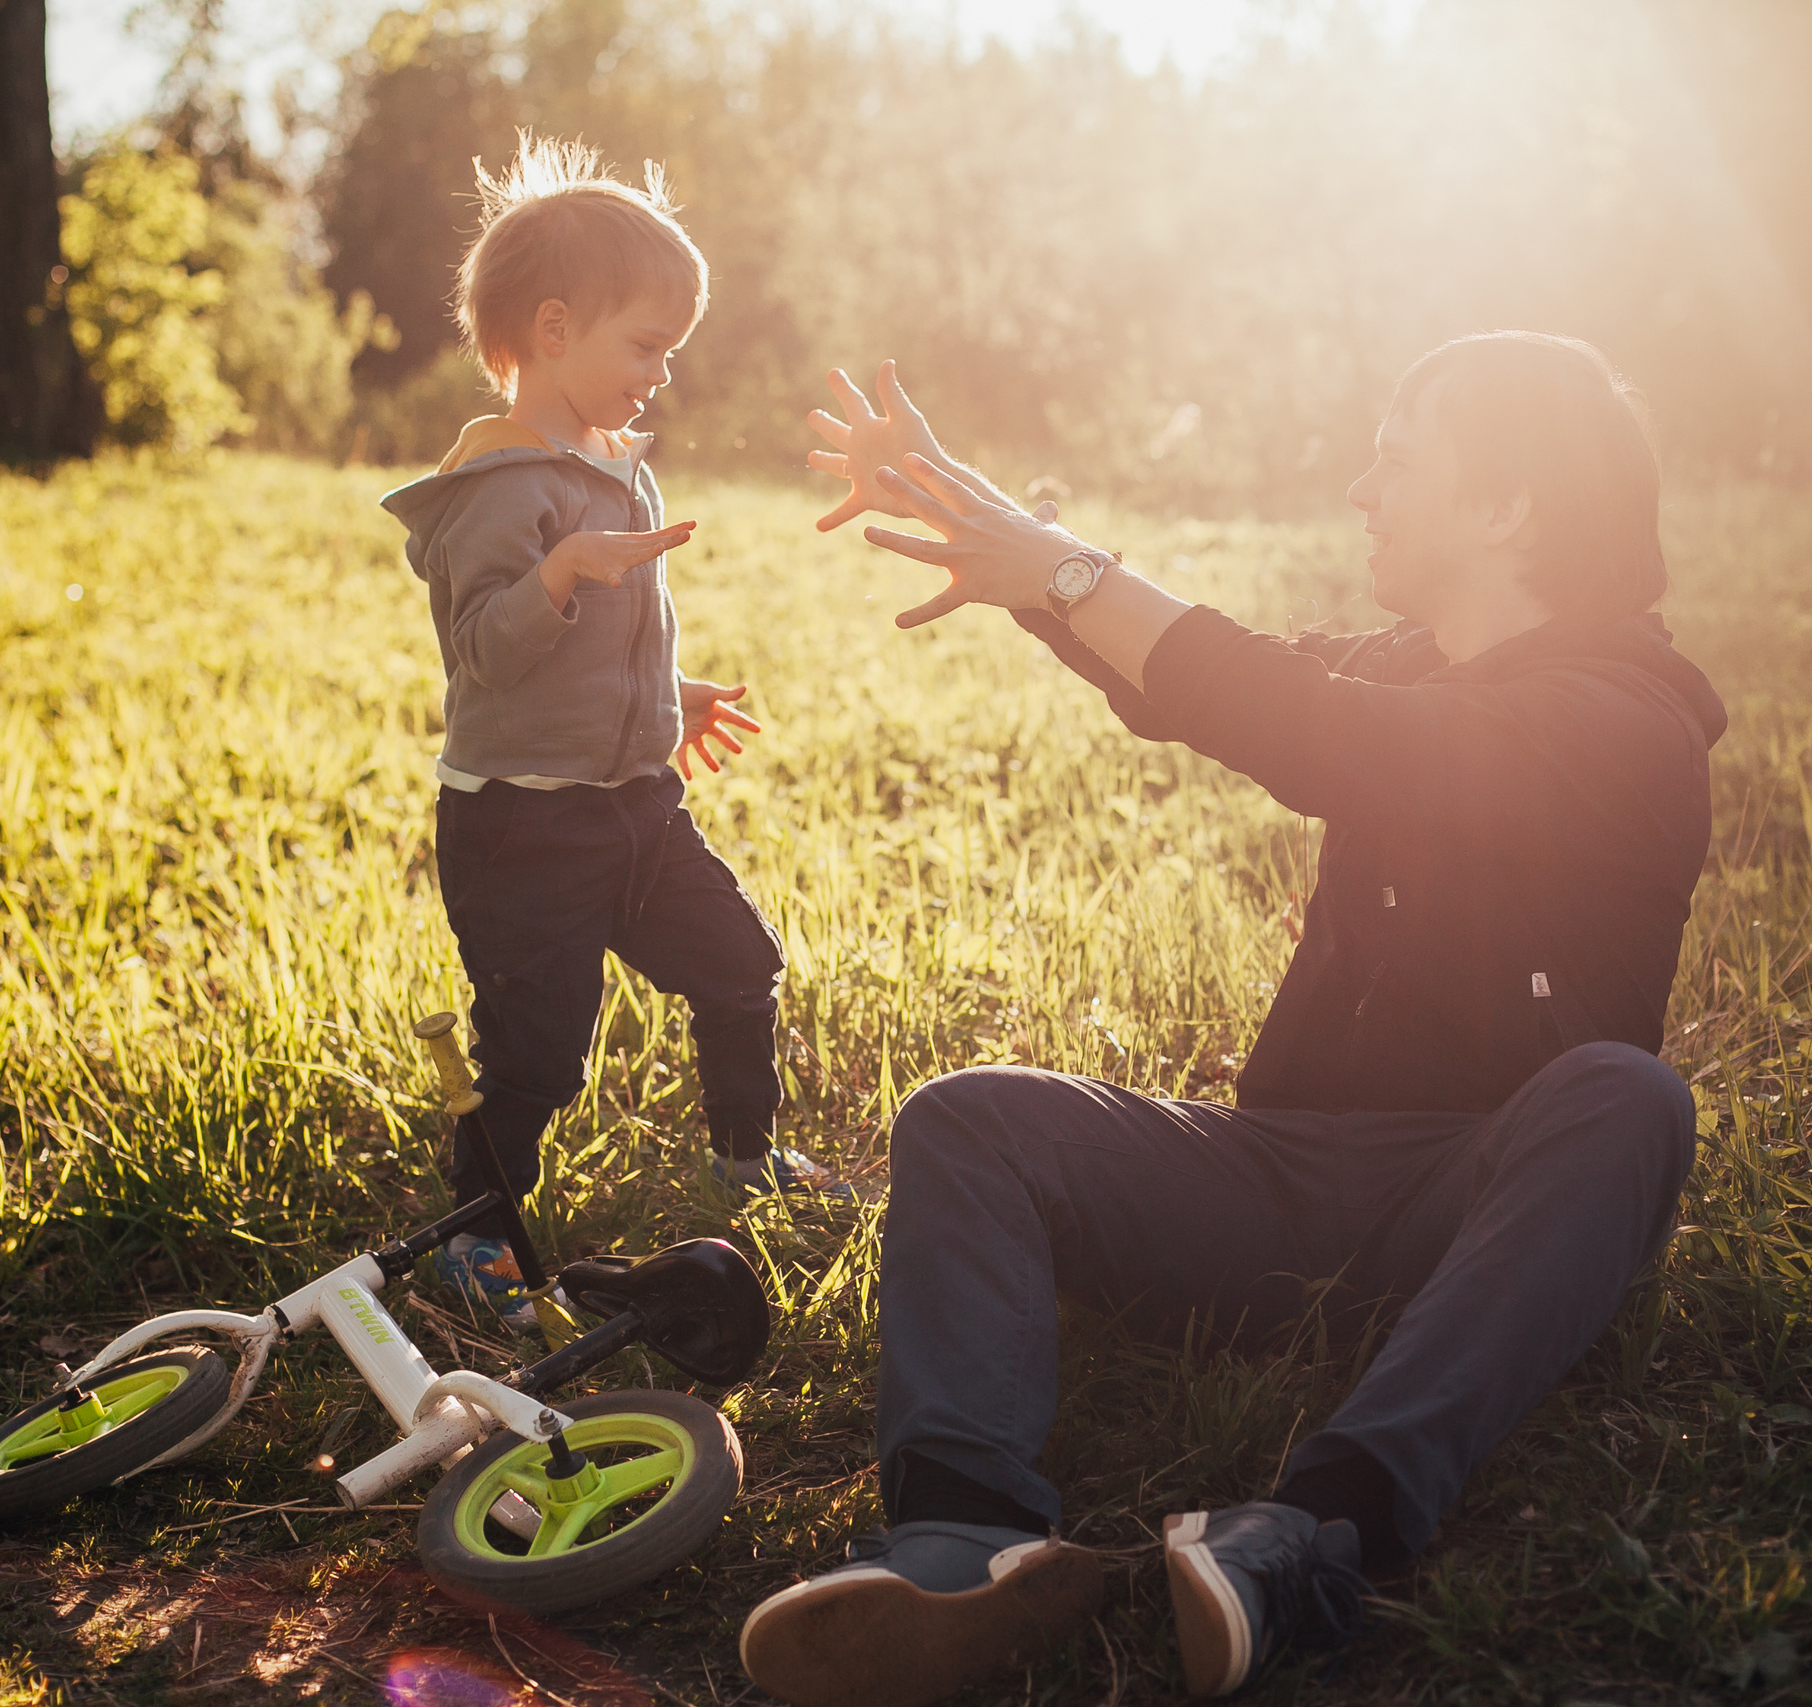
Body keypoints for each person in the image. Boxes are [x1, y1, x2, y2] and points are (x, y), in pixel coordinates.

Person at [737, 333, 1726, 1705]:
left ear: (1507, 505)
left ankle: (1315, 1533)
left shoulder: (1622, 722)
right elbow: (1200, 680)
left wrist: (1066, 568)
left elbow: (1315, 727)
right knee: (971, 1118)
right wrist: (1003, 542)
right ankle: (967, 1541)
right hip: (1279, 1177)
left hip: (1477, 1198)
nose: (1362, 486)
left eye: (1397, 455)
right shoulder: (1414, 662)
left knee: (1628, 1096)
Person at [379, 137, 843, 1330]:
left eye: (669, 354)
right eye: (644, 348)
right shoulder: (499, 484)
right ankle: (472, 1238)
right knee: (538, 1056)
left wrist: (664, 699)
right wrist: (565, 572)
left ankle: (746, 1157)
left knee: (740, 968)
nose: (659, 377)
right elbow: (484, 649)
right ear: (550, 330)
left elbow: (601, 645)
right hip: (524, 829)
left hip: (636, 808)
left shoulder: (610, 463)